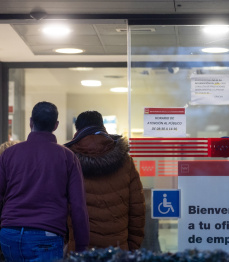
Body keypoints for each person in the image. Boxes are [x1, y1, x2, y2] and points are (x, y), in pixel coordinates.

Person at [0, 101, 89, 262]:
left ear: (30, 122)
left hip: (9, 235)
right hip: (46, 235)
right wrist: (82, 247)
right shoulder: (67, 157)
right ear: (56, 125)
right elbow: (78, 206)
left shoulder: (9, 154)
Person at [65, 110, 145, 251]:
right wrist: (132, 248)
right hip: (118, 250)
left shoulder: (69, 161)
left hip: (81, 250)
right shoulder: (125, 160)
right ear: (102, 127)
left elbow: (62, 208)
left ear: (77, 130)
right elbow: (137, 210)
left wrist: (67, 243)